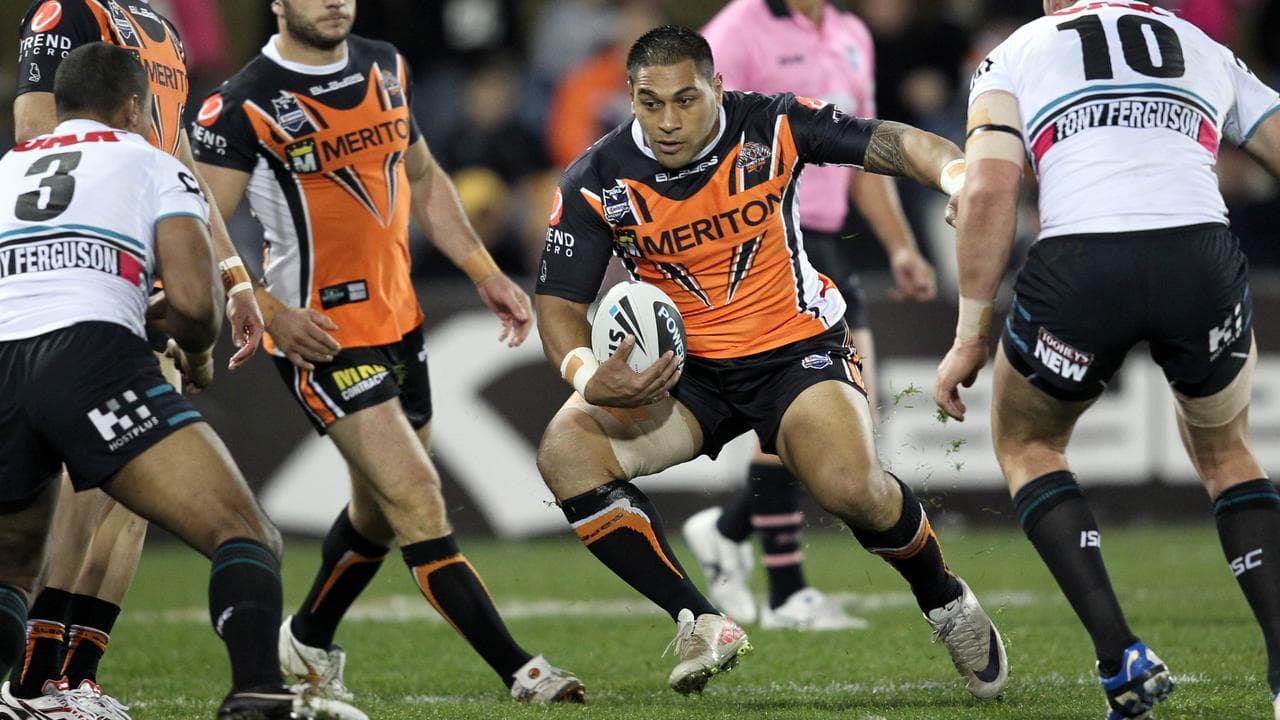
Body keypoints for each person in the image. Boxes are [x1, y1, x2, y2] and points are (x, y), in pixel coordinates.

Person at [535, 24, 1007, 698]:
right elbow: (557, 301)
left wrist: (957, 173)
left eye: (685, 99)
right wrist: (585, 373)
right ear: (630, 99)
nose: (668, 121)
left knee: (851, 489)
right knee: (564, 452)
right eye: (649, 102)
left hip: (794, 352)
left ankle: (945, 598)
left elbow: (892, 141)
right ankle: (699, 618)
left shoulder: (772, 124)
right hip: (684, 372)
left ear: (716, 88)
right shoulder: (595, 178)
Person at [191, 0, 584, 705]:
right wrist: (274, 313)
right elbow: (196, 225)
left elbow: (426, 176)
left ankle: (308, 637)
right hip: (322, 339)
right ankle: (522, 671)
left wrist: (485, 270)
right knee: (419, 496)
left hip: (400, 323)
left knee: (377, 511)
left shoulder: (384, 64)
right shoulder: (243, 102)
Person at [934, 1, 1280, 718]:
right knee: (1227, 456)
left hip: (1082, 264)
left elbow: (991, 187)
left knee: (1028, 443)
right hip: (1200, 260)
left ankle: (1118, 652)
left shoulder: (1016, 51)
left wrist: (970, 334)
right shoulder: (1200, 43)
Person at [0, 42, 363, 720]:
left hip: (3, 359)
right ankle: (258, 694)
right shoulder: (152, 160)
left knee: (13, 571)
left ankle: (22, 696)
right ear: (135, 105)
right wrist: (194, 355)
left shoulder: (6, 169)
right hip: (88, 355)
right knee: (245, 533)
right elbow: (196, 304)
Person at [11, 2, 266, 716]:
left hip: (151, 254)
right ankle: (35, 675)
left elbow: (178, 158)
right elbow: (38, 134)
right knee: (82, 482)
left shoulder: (160, 30)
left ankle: (76, 675)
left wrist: (232, 273)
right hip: (96, 264)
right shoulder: (66, 13)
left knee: (126, 502)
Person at [681, 0, 937, 630]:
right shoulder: (737, 30)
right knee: (797, 409)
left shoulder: (852, 34)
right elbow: (689, 142)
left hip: (827, 239)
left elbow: (861, 151)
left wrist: (901, 244)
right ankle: (788, 589)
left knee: (853, 415)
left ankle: (728, 529)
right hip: (761, 241)